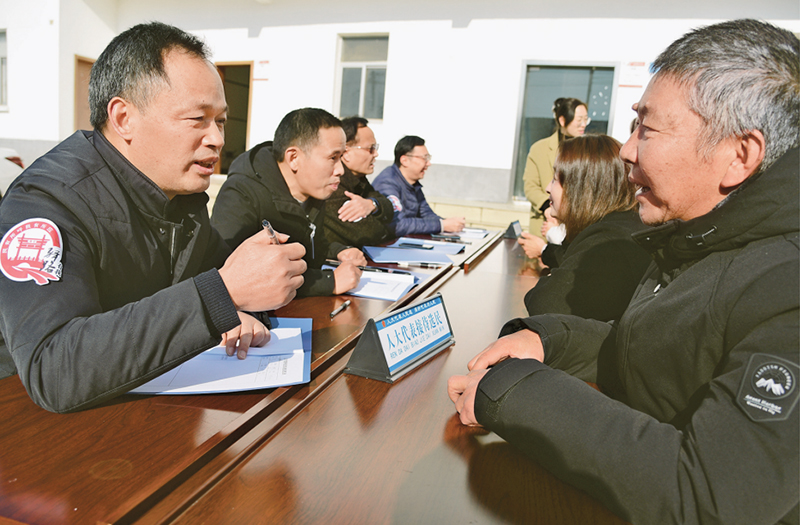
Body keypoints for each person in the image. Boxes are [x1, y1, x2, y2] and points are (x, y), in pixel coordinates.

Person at [449, 19, 798, 525]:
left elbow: (708, 497)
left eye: (647, 129)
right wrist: (551, 341)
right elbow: (656, 352)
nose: (627, 150)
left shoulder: (787, 286)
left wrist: (511, 391)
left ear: (738, 156)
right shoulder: (701, 238)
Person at [0, 22, 307, 413]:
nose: (217, 139)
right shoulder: (47, 200)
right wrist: (221, 296)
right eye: (197, 119)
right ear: (124, 118)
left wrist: (244, 301)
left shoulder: (180, 198)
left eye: (220, 121)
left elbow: (229, 282)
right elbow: (53, 369)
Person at [211, 108, 365, 297]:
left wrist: (339, 251)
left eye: (341, 158)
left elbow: (312, 245)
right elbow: (226, 277)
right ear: (294, 158)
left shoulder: (313, 192)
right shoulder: (242, 194)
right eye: (333, 158)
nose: (340, 170)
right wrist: (328, 282)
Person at [522, 134, 651, 321]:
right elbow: (570, 257)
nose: (548, 188)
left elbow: (543, 303)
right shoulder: (617, 226)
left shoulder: (608, 244)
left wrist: (548, 279)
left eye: (556, 179)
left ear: (581, 188)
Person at [520, 97, 588, 251]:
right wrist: (547, 208)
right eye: (579, 119)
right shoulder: (539, 149)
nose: (583, 124)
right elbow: (530, 187)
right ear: (562, 120)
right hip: (544, 224)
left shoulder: (588, 153)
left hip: (574, 227)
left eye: (586, 119)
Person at [322, 117, 393, 247]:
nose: (376, 154)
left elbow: (388, 205)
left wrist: (372, 204)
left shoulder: (359, 180)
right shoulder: (332, 185)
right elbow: (369, 233)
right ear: (346, 153)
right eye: (370, 148)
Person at [373, 135, 465, 236]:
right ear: (404, 160)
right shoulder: (387, 183)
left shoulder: (412, 184)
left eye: (428, 158)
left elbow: (427, 214)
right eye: (424, 158)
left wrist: (449, 223)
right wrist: (441, 225)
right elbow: (398, 224)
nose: (428, 163)